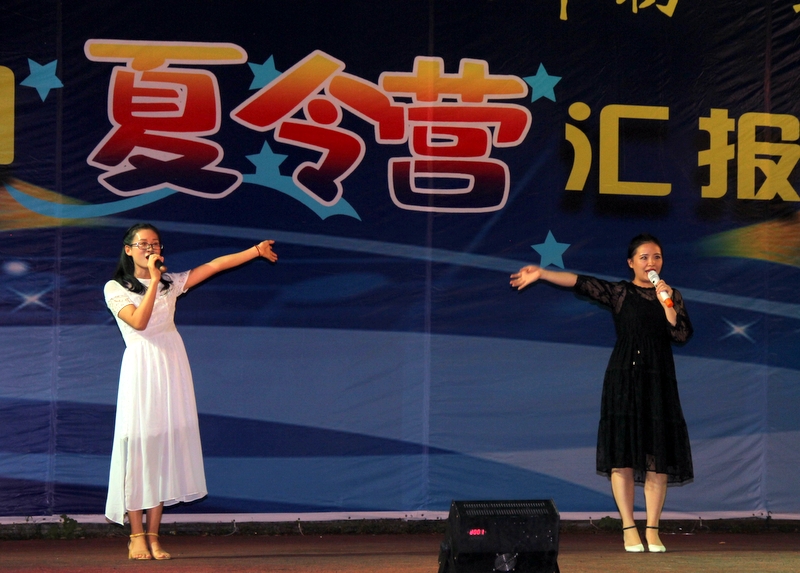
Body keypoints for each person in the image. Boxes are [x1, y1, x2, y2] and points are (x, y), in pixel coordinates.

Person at [103, 223, 278, 560]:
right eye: (143, 244)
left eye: (155, 243)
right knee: (138, 447)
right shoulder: (116, 287)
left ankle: (154, 536)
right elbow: (138, 322)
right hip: (141, 369)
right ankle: (135, 535)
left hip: (171, 367)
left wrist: (255, 251)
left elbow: (214, 265)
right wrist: (154, 281)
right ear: (128, 249)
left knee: (161, 447)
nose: (150, 249)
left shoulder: (170, 283)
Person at [509, 233, 693, 553]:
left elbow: (680, 334)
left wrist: (667, 303)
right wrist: (542, 273)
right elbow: (580, 282)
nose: (651, 263)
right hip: (624, 378)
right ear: (631, 262)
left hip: (659, 381)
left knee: (658, 458)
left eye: (657, 257)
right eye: (644, 257)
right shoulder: (620, 292)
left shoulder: (671, 295)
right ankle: (628, 528)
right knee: (622, 456)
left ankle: (652, 530)